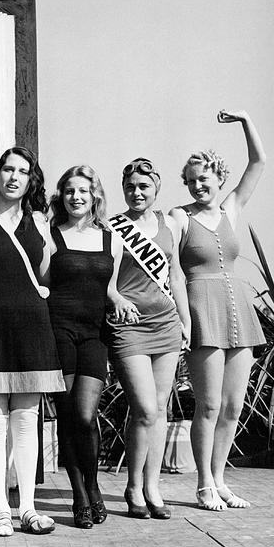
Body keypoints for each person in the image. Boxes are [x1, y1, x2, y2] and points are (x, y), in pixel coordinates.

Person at [0, 147, 65, 537]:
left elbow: (45, 276)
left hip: (30, 326)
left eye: (23, 171)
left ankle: (28, 508)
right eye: (8, 169)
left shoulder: (39, 220)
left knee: (26, 421)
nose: (14, 177)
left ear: (31, 180)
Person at [169, 110, 266, 511]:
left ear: (218, 177)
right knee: (207, 405)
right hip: (202, 312)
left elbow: (259, 162)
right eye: (190, 181)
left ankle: (221, 479)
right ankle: (204, 483)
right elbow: (165, 260)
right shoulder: (179, 216)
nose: (197, 185)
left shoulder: (231, 210)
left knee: (233, 406)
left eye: (203, 178)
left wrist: (245, 119)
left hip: (239, 311)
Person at [48, 165, 134, 528]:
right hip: (60, 330)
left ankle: (93, 484)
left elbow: (108, 286)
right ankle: (79, 495)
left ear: (94, 195)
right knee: (68, 415)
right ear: (61, 196)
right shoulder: (52, 236)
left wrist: (119, 300)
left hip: (94, 333)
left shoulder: (110, 238)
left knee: (86, 414)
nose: (76, 197)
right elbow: (43, 282)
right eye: (69, 191)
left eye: (83, 191)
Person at [106, 158, 190, 520]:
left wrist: (186, 320)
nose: (137, 192)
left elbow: (177, 276)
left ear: (156, 189)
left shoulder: (168, 225)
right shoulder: (113, 227)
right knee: (145, 408)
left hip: (165, 324)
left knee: (160, 410)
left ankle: (151, 487)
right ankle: (133, 486)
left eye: (144, 186)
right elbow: (105, 280)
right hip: (130, 326)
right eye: (130, 187)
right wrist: (117, 299)